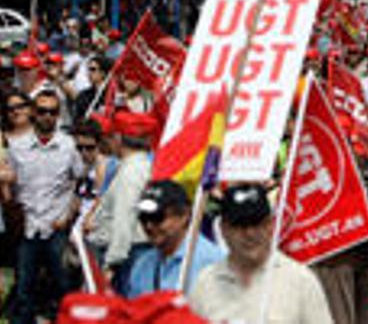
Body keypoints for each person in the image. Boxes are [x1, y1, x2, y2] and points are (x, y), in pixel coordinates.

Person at [190, 184, 333, 324]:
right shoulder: (205, 283)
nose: (250, 233)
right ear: (223, 229)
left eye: (257, 223)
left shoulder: (300, 280)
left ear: (270, 225)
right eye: (240, 225)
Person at [3, 90, 83, 324]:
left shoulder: (68, 146)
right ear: (33, 113)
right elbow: (11, 183)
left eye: (53, 112)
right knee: (24, 287)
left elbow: (79, 182)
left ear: (58, 115)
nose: (47, 116)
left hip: (56, 225)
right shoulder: (17, 148)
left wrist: (69, 215)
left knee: (63, 286)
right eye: (42, 111)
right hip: (28, 226)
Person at [95, 111, 157, 294]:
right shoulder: (143, 166)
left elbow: (124, 218)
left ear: (119, 139)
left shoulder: (130, 173)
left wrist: (111, 263)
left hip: (130, 255)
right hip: (136, 252)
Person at [127, 180, 225, 297]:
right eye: (143, 217)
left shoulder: (213, 262)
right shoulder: (142, 266)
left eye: (157, 217)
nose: (149, 225)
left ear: (184, 215)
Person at [71, 56, 112, 123]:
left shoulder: (113, 95)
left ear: (103, 73)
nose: (89, 73)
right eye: (88, 70)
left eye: (93, 69)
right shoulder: (83, 96)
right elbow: (77, 119)